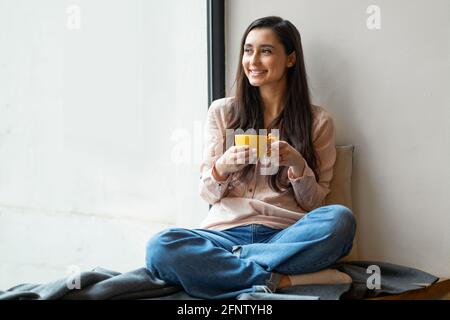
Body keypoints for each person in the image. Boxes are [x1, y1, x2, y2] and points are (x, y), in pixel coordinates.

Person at [145, 16, 356, 299]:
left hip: (284, 235)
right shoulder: (222, 112)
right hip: (224, 234)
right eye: (248, 50)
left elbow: (314, 202)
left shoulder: (318, 121)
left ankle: (231, 268)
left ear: (291, 59)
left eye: (265, 51)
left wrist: (296, 163)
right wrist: (223, 166)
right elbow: (207, 193)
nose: (253, 60)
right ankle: (278, 281)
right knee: (160, 246)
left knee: (340, 220)